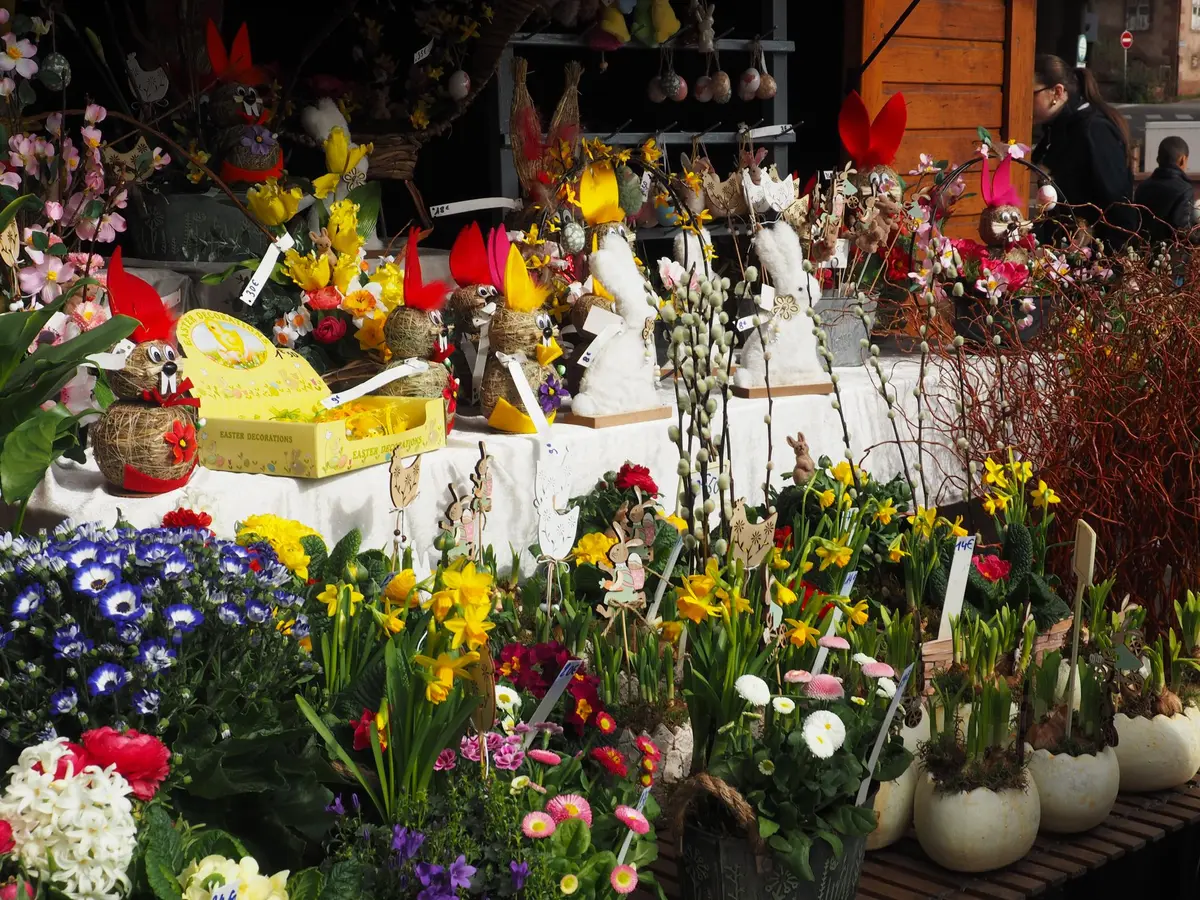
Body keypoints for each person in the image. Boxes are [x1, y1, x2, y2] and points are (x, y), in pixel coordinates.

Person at [1032, 55, 1137, 249]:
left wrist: (1116, 267)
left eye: (1031, 94)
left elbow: (1118, 205)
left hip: (1095, 258)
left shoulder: (1094, 131)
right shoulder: (1055, 129)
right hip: (1064, 251)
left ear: (1057, 92)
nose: (1024, 102)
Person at [1134, 136, 1196, 244]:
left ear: (1158, 159)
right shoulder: (1184, 190)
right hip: (1171, 256)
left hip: (1143, 254)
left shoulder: (1142, 187)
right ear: (1183, 160)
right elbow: (1183, 232)